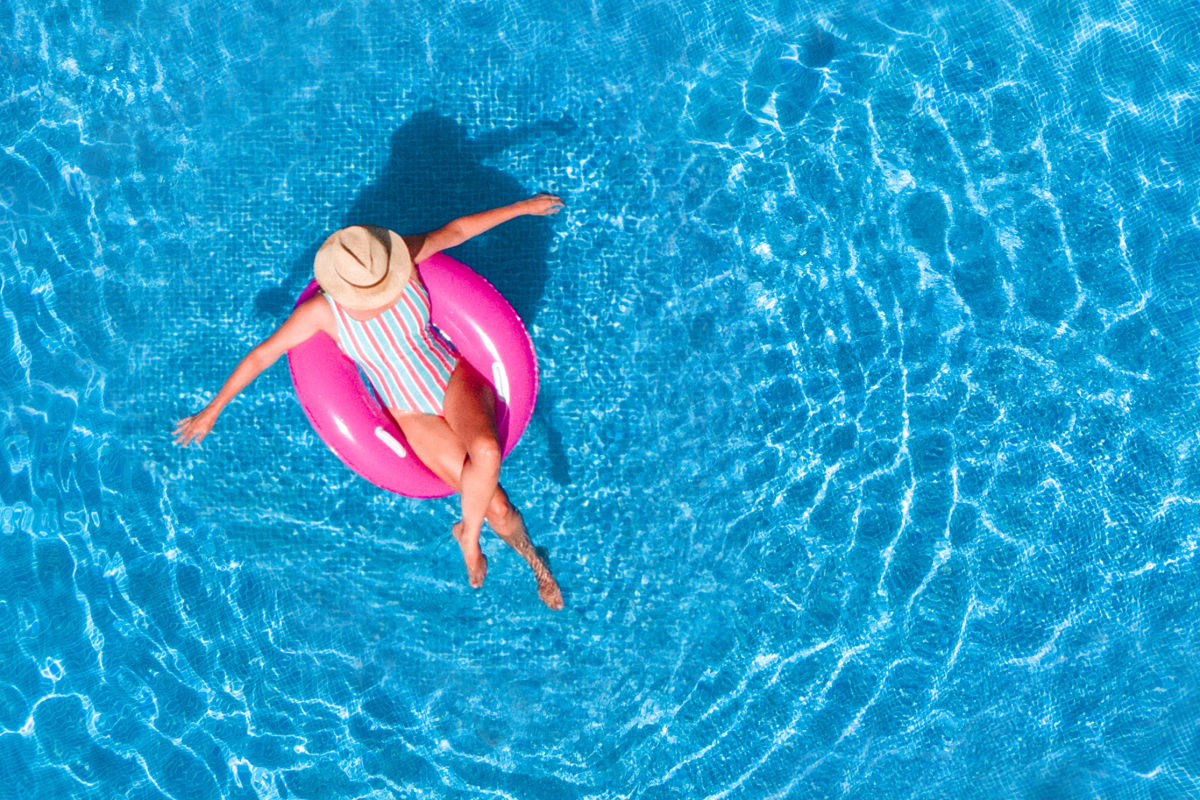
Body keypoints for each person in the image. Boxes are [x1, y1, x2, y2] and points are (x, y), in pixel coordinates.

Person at [174, 193, 566, 609]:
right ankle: (534, 565)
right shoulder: (322, 313)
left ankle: (468, 536)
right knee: (500, 509)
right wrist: (213, 408)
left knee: (487, 450)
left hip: (453, 379)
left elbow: (459, 229)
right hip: (413, 413)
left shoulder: (404, 259)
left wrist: (522, 208)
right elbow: (262, 355)